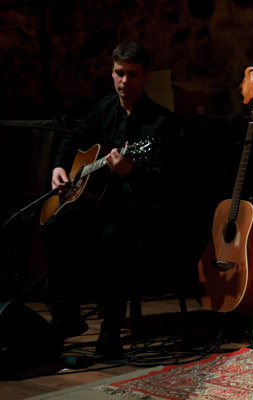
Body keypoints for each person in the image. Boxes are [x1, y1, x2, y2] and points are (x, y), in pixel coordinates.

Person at [43, 41, 180, 359]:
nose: (124, 82)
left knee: (114, 236)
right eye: (119, 73)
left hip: (145, 207)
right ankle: (65, 319)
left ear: (146, 76)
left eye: (132, 75)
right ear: (112, 71)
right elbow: (74, 136)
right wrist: (60, 166)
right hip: (102, 202)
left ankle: (110, 329)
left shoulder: (161, 123)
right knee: (54, 226)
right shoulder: (103, 109)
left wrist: (132, 170)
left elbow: (168, 179)